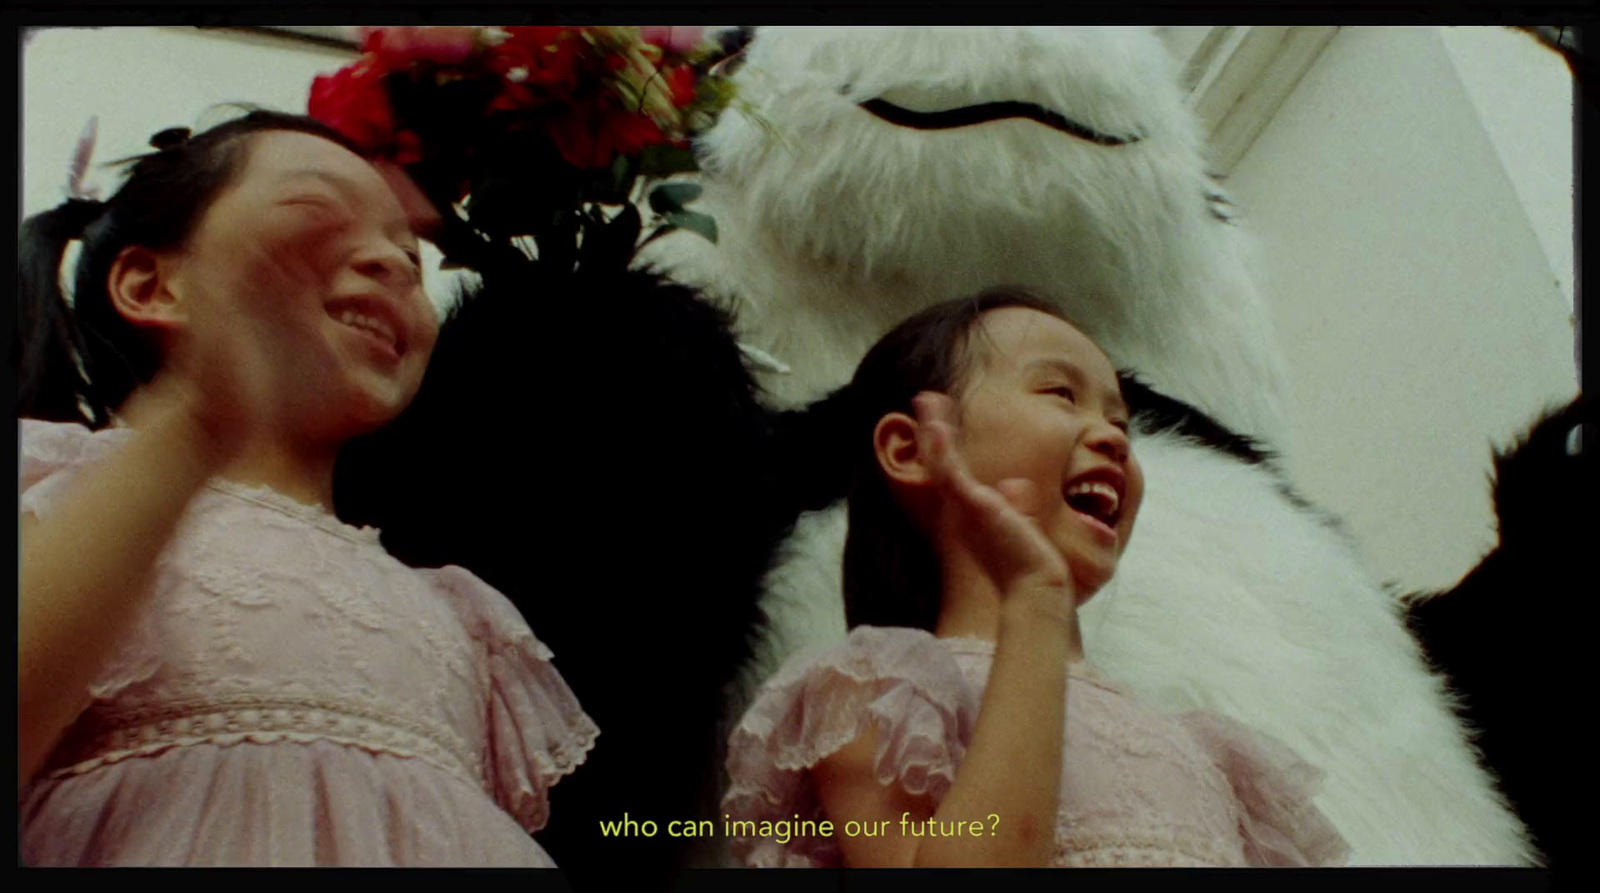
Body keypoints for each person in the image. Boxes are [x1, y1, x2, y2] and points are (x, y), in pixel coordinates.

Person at [16, 110, 597, 866]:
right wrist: (193, 425)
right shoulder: (57, 483)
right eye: (316, 221)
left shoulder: (459, 609)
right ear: (151, 284)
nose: (389, 262)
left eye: (408, 256)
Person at [721, 289, 1351, 867]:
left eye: (1121, 422)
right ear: (909, 451)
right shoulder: (874, 695)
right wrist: (1035, 600)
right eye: (1060, 393)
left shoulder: (1208, 750)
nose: (1112, 437)